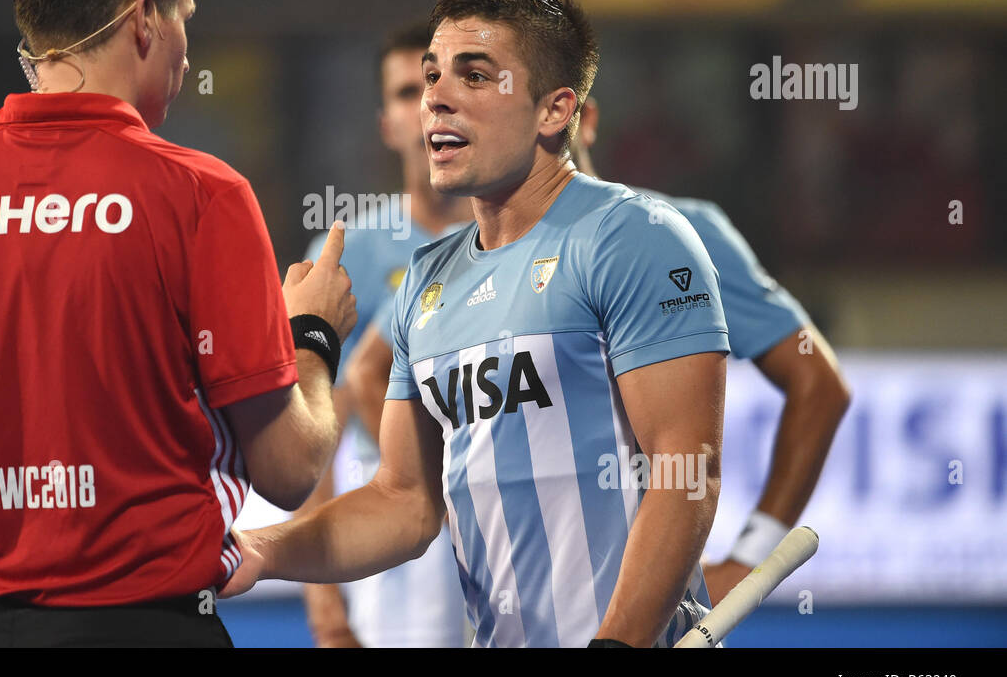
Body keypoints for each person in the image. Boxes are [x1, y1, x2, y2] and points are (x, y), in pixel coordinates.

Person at [0, 0, 355, 647]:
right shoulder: (203, 194)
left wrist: (26, 555)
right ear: (144, 18)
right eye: (186, 21)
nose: (189, 51)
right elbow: (289, 470)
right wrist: (313, 332)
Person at [225, 0, 730, 648]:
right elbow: (403, 502)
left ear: (555, 111)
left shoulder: (634, 237)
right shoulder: (426, 281)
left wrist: (619, 643)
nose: (435, 96)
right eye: (432, 75)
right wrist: (260, 548)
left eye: (473, 75)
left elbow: (685, 468)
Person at [344, 94, 852, 608]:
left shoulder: (671, 234)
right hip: (503, 603)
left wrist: (749, 559)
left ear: (575, 117)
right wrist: (455, 508)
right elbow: (370, 370)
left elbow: (818, 385)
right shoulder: (467, 253)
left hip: (638, 613)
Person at [297, 22, 474, 648]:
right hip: (402, 541)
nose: (427, 103)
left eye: (441, 83)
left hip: (517, 517)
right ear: (388, 124)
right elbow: (320, 431)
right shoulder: (347, 254)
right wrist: (326, 608)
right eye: (407, 91)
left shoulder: (527, 242)